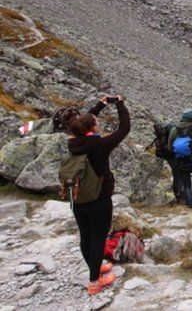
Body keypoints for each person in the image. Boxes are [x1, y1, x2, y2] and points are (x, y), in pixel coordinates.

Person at [66, 94, 129, 295]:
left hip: (77, 198)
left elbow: (80, 123)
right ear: (92, 128)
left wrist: (99, 105)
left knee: (85, 237)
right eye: (96, 122)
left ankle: (95, 267)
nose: (98, 122)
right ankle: (95, 281)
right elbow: (124, 128)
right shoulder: (100, 145)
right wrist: (119, 103)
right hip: (98, 199)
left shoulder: (73, 142)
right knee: (98, 238)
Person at [168, 109, 192, 210]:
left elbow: (170, 147)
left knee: (187, 185)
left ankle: (189, 205)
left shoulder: (174, 130)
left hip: (181, 162)